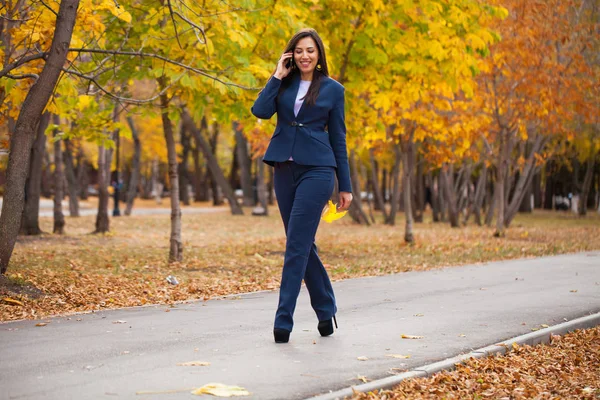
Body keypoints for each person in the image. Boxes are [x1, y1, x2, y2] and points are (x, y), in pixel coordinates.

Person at [251, 28, 353, 343]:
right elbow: (260, 111)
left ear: (319, 54)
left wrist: (345, 185)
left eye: (310, 50)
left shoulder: (333, 89)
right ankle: (326, 309)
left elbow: (338, 136)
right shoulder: (284, 83)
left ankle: (283, 321)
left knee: (296, 245)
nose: (304, 56)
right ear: (291, 55)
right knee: (301, 242)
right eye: (299, 51)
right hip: (283, 168)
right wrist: (276, 75)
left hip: (319, 170)